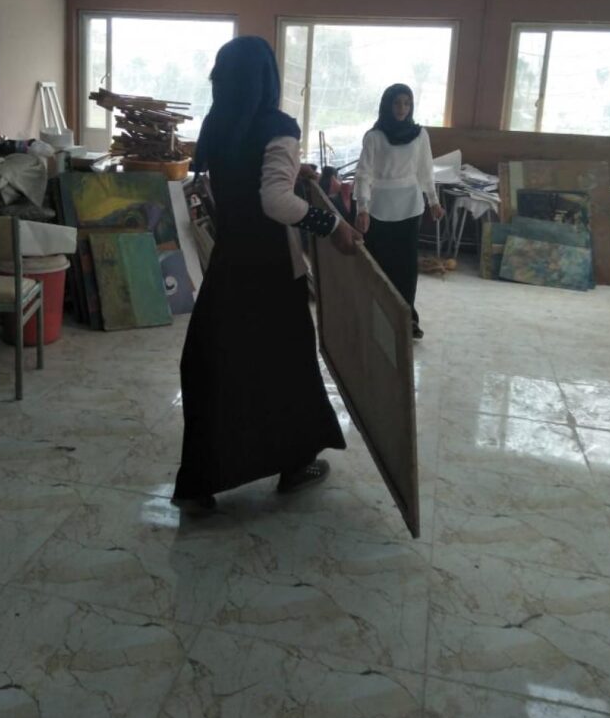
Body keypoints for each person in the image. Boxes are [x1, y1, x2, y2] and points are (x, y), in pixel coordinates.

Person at [172, 36, 362, 513]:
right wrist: (332, 224)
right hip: (273, 270)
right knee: (285, 368)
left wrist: (296, 174)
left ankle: (200, 483)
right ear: (267, 78)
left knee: (214, 364)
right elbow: (274, 201)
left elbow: (247, 179)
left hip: (230, 261)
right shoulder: (278, 126)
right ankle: (295, 465)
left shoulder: (218, 123)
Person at [353, 83, 444, 340]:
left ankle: (407, 319)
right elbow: (364, 174)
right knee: (380, 264)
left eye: (407, 103)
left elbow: (426, 170)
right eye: (397, 103)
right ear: (387, 105)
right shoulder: (374, 136)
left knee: (406, 268)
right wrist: (362, 208)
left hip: (410, 208)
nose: (402, 108)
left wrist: (434, 201)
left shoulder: (420, 134)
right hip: (379, 208)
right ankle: (377, 316)